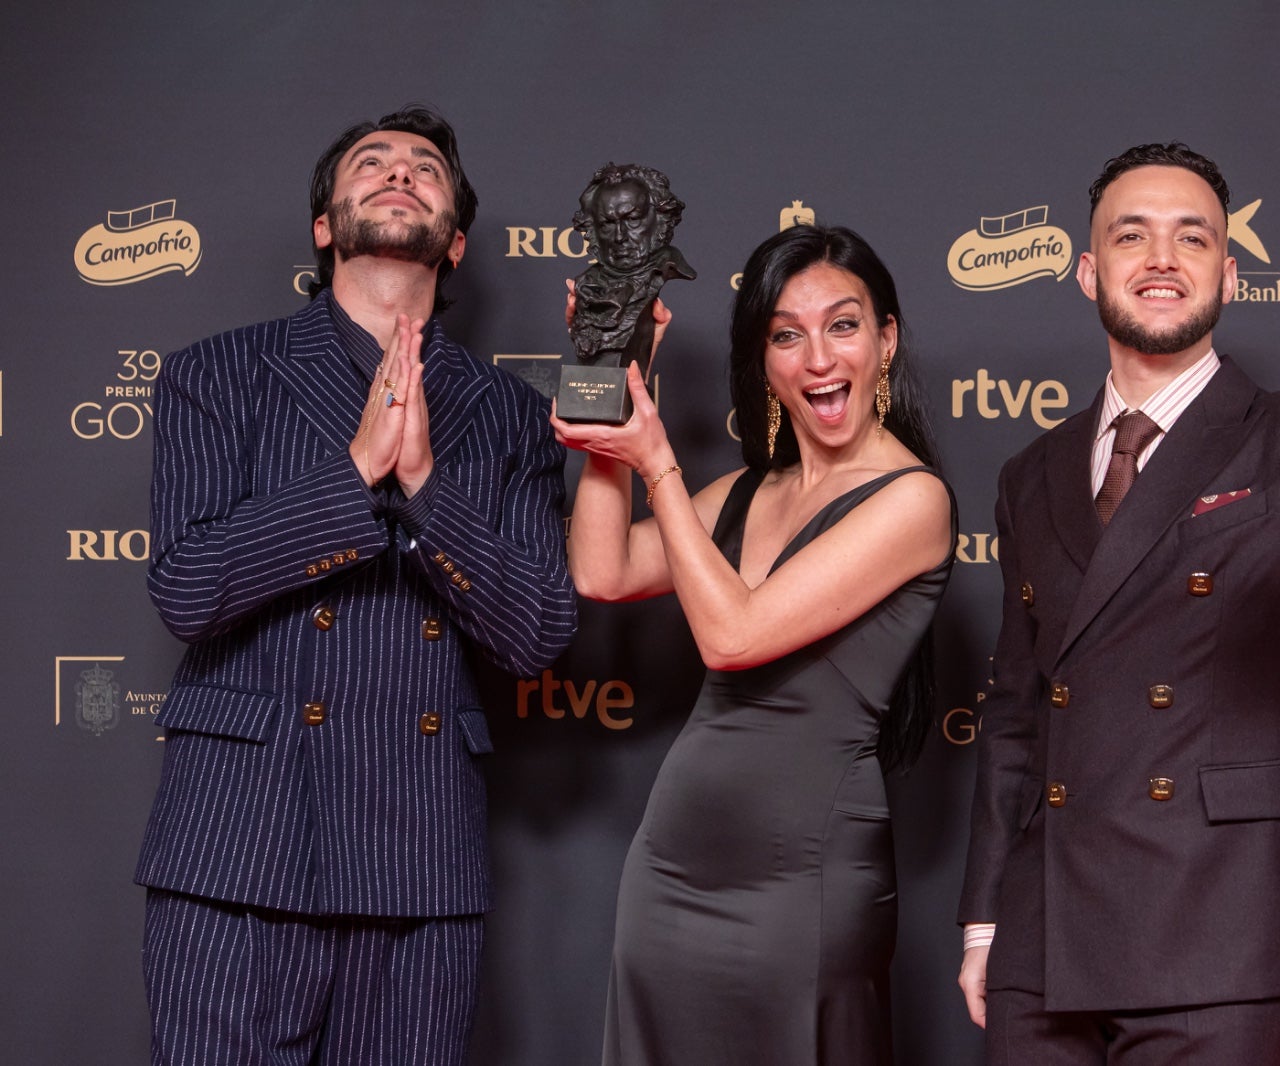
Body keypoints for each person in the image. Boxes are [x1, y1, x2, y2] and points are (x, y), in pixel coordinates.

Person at [956, 143, 1280, 1065]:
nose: (1160, 258)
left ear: (1227, 274)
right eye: (1131, 235)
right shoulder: (1031, 474)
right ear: (1086, 271)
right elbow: (1017, 715)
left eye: (1192, 238)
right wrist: (986, 917)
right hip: (1044, 925)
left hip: (1219, 919)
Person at [135, 106, 576, 1066]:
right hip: (237, 848)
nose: (398, 173)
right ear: (324, 226)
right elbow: (188, 588)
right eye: (370, 163)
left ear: (454, 237)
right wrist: (353, 475)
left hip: (420, 856)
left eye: (424, 168)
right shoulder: (218, 375)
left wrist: (421, 488)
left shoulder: (510, 415)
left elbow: (539, 629)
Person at [552, 224, 956, 1065]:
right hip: (670, 868)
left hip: (802, 877)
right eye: (786, 334)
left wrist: (658, 463)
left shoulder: (912, 499)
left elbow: (733, 638)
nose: (818, 358)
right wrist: (616, 393)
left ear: (885, 342)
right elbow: (602, 570)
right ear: (763, 361)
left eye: (843, 326)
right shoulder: (743, 491)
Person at [568, 162, 696, 372]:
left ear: (660, 218)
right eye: (607, 223)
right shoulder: (586, 284)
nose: (620, 236)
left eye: (633, 219)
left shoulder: (667, 267)